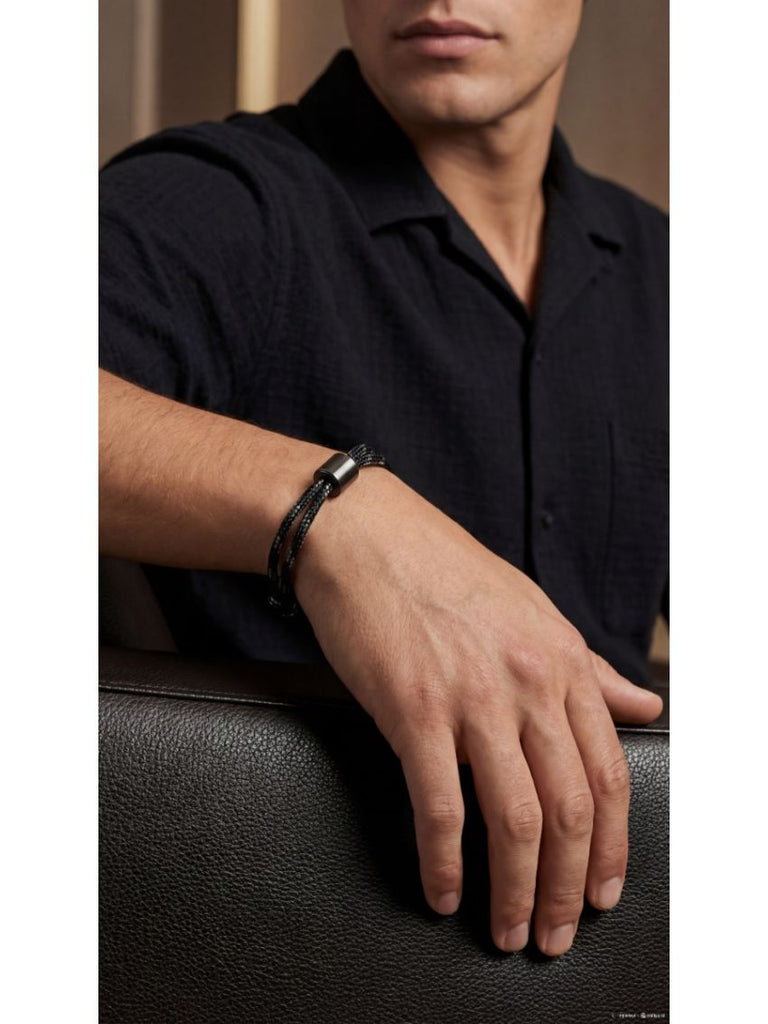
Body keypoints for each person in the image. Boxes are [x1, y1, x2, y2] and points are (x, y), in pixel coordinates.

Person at [99, 0, 668, 959]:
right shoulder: (213, 200)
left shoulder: (674, 275)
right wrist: (333, 511)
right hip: (271, 949)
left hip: (624, 959)